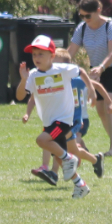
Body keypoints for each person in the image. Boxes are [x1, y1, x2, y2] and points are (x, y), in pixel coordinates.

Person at [16, 35, 91, 198]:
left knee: (42, 141)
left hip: (64, 120)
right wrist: (23, 79)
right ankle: (80, 185)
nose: (36, 57)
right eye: (34, 54)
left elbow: (81, 71)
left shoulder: (61, 69)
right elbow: (21, 96)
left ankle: (69, 158)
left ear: (52, 56)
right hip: (50, 122)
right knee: (59, 159)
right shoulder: (34, 75)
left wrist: (90, 89)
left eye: (40, 54)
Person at [67, 0, 112, 156]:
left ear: (98, 10)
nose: (85, 19)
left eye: (88, 15)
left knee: (109, 106)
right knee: (100, 109)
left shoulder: (110, 25)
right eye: (81, 15)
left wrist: (101, 67)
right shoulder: (82, 28)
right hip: (96, 70)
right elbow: (70, 52)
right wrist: (59, 68)